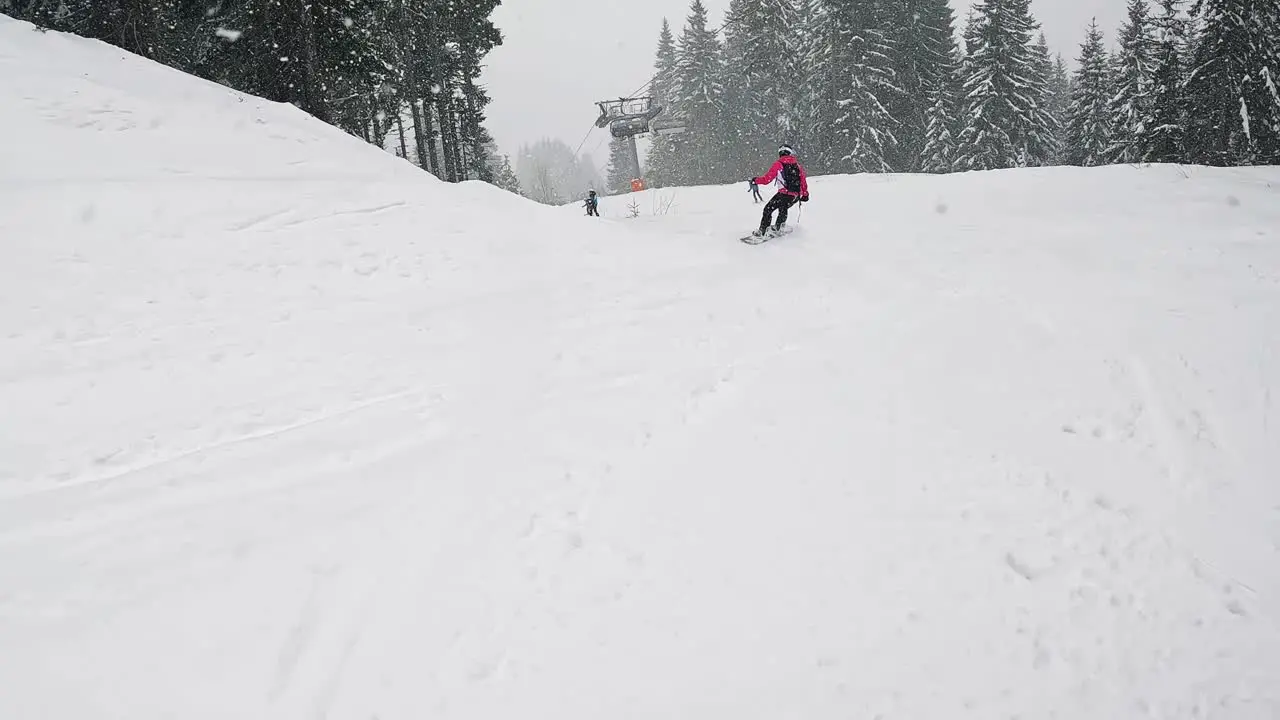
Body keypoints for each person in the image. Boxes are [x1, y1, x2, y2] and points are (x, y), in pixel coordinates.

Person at [750, 145, 809, 237]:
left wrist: (756, 180)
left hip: (784, 194)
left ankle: (763, 231)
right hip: (795, 196)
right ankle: (779, 227)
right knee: (783, 208)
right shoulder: (797, 165)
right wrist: (805, 194)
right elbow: (803, 181)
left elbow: (767, 179)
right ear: (790, 153)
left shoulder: (778, 164)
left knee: (767, 209)